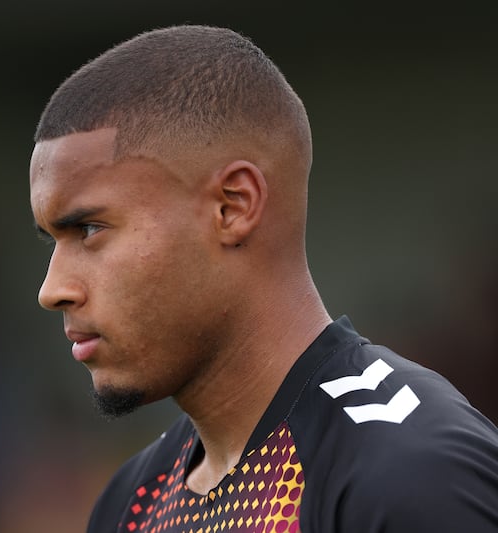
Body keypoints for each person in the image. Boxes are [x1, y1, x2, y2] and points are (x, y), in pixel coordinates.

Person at [28, 25, 498, 532]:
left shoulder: (407, 474)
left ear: (233, 207)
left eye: (89, 229)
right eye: (51, 239)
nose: (52, 289)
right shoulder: (132, 502)